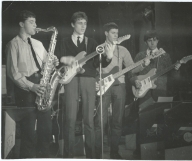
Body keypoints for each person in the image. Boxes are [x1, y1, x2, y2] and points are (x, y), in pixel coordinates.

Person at [57, 11, 113, 158]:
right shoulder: (64, 41)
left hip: (88, 79)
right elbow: (58, 60)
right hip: (71, 80)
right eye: (80, 23)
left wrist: (108, 57)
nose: (83, 26)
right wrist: (66, 60)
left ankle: (92, 156)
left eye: (85, 23)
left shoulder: (92, 42)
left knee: (89, 120)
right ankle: (68, 156)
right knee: (70, 119)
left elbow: (97, 63)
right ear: (72, 24)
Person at [6, 10, 59, 158]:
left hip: (41, 87)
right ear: (21, 24)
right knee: (29, 135)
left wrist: (53, 61)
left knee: (45, 132)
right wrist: (32, 86)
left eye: (36, 22)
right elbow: (13, 73)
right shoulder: (13, 44)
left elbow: (47, 64)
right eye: (32, 22)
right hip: (26, 91)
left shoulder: (38, 43)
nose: (36, 25)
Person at [94, 22, 150, 159]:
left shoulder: (123, 50)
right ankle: (97, 153)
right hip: (103, 87)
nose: (116, 35)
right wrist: (97, 81)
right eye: (113, 33)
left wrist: (143, 65)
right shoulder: (98, 49)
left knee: (117, 121)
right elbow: (94, 68)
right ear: (106, 33)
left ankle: (114, 152)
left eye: (117, 33)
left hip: (119, 87)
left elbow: (132, 68)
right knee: (100, 122)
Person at [130, 30, 181, 159]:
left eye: (154, 40)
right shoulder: (140, 55)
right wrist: (135, 82)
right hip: (144, 93)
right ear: (146, 42)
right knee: (142, 121)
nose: (152, 43)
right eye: (149, 40)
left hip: (160, 91)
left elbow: (172, 76)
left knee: (160, 122)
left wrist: (176, 69)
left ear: (158, 41)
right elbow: (131, 75)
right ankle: (139, 152)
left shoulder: (165, 56)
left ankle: (159, 152)